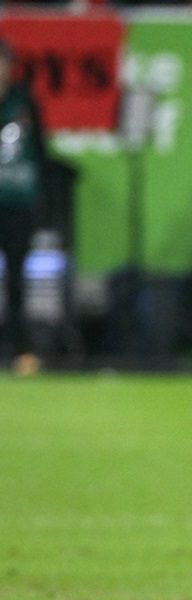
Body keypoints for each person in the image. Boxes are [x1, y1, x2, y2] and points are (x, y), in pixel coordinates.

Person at [0, 38, 46, 375]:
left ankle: (21, 349)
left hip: (18, 202)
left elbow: (41, 150)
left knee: (17, 279)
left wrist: (41, 199)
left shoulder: (24, 102)